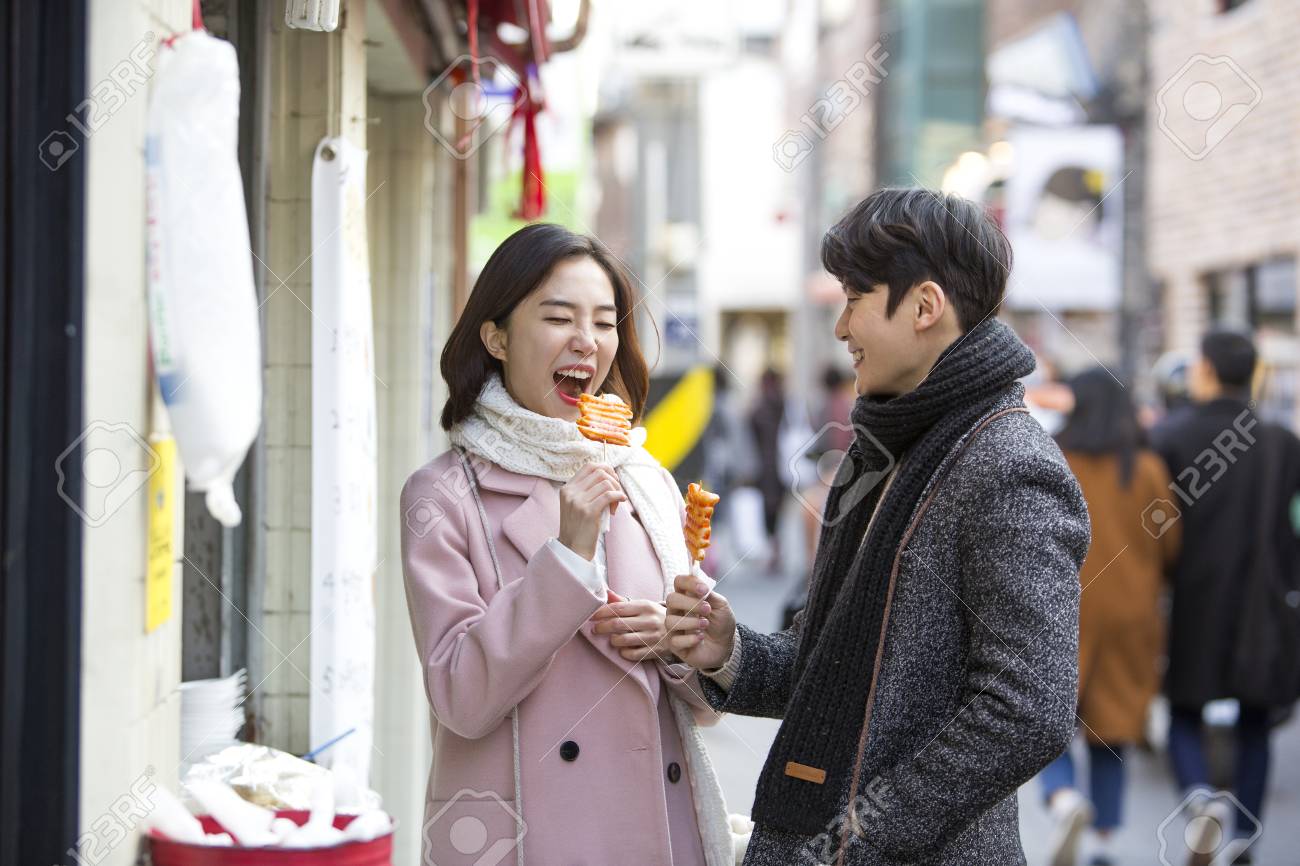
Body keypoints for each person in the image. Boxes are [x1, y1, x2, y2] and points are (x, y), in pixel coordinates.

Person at [665, 187, 1091, 865]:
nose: (841, 328)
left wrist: (862, 835)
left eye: (855, 298)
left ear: (924, 306)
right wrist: (729, 651)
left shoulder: (1008, 464)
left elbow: (1027, 707)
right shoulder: (881, 447)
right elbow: (829, 666)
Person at [400, 223, 733, 866]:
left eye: (605, 323)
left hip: (658, 835)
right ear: (496, 337)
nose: (587, 340)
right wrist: (568, 557)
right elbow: (460, 697)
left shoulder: (646, 481)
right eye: (559, 318)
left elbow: (703, 709)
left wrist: (682, 644)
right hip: (522, 843)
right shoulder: (442, 495)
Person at [1149, 330, 1300, 865]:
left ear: (1208, 370)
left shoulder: (1168, 436)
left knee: (1184, 711)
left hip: (1192, 599)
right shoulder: (1282, 442)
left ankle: (1200, 798)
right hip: (1267, 602)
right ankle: (1243, 836)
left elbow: (1154, 527)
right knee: (1256, 719)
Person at [1041, 368, 1181, 866]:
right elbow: (1170, 545)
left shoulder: (1056, 458)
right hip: (1131, 612)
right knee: (1113, 726)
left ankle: (1063, 797)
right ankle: (1103, 841)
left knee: (1049, 713)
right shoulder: (1147, 468)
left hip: (1065, 607)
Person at [749, 368, 790, 572]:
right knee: (777, 510)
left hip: (765, 466)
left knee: (767, 510)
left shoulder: (760, 407)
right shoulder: (786, 404)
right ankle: (776, 550)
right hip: (785, 464)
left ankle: (773, 551)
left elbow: (751, 436)